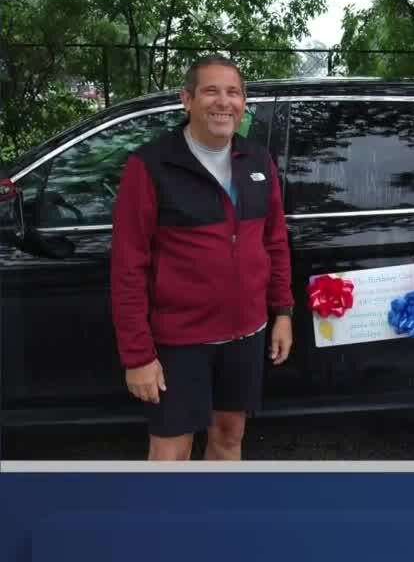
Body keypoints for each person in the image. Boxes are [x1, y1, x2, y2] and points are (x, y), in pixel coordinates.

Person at [110, 55, 294, 461]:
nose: (223, 102)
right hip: (179, 340)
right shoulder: (151, 166)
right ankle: (166, 526)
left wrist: (282, 312)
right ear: (187, 100)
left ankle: (215, 522)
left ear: (244, 103)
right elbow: (128, 268)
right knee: (170, 451)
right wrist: (138, 356)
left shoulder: (258, 162)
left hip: (246, 333)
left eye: (233, 92)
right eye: (211, 90)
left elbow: (275, 242)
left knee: (229, 436)